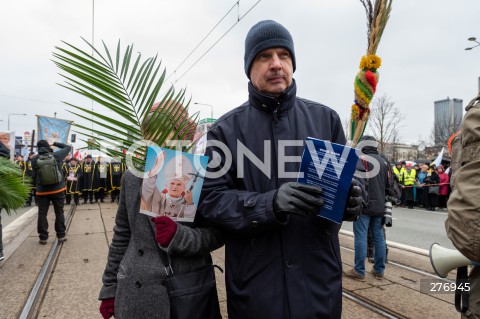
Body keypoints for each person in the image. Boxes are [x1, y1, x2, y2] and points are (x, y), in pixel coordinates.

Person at [197, 20, 363, 318]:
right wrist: (268, 204)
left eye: (283, 55)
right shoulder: (225, 131)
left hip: (317, 285)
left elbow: (344, 189)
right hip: (257, 288)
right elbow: (211, 201)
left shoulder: (327, 120)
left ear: (293, 64)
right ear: (249, 67)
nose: (276, 64)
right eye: (264, 56)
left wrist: (351, 203)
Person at [98, 103, 223, 319]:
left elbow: (218, 233)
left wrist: (180, 236)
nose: (158, 137)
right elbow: (122, 234)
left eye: (167, 130)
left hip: (185, 291)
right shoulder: (132, 177)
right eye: (150, 130)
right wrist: (109, 288)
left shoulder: (200, 177)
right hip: (136, 293)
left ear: (181, 133)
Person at [344, 136, 388, 281]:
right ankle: (379, 270)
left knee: (361, 236)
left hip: (364, 204)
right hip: (380, 205)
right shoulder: (384, 161)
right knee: (379, 237)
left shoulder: (361, 159)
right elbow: (390, 184)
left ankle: (359, 270)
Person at [31, 140, 71, 244]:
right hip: (58, 189)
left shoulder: (34, 159)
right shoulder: (56, 155)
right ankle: (61, 236)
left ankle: (43, 237)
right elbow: (68, 147)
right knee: (59, 212)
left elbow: (35, 175)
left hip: (42, 191)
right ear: (48, 146)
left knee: (42, 213)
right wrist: (55, 143)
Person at [141, 152, 197, 219]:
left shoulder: (187, 205)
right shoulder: (157, 197)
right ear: (166, 185)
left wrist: (190, 204)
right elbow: (146, 188)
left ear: (184, 187)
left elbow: (189, 224)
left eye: (179, 184)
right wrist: (156, 167)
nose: (175, 187)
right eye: (172, 183)